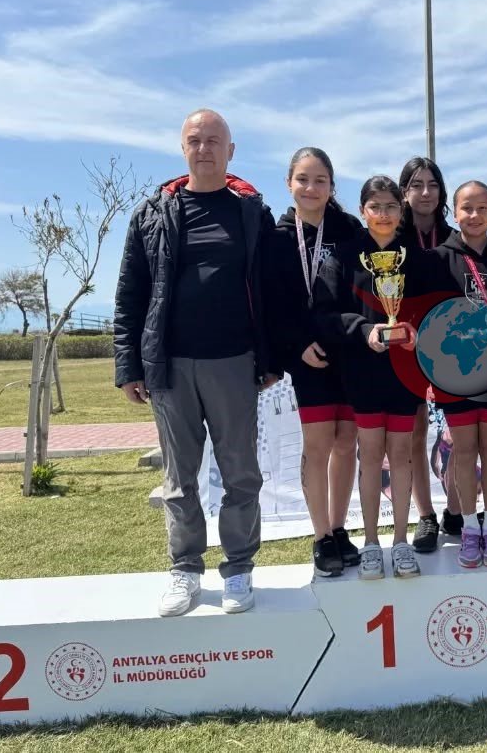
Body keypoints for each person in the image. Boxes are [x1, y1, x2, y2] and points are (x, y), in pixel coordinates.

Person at [114, 109, 275, 617]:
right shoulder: (151, 214)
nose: (204, 148)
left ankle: (239, 568)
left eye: (214, 140)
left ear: (231, 151)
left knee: (241, 474)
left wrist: (270, 358)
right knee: (179, 478)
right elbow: (130, 293)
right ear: (182, 148)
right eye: (194, 140)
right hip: (170, 365)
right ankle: (185, 569)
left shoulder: (252, 213)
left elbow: (270, 293)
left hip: (234, 362)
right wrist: (128, 366)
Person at [313, 175, 428, 580]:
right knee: (371, 456)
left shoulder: (416, 258)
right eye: (375, 206)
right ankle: (371, 543)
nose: (383, 214)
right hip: (362, 374)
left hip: (405, 375)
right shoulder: (344, 257)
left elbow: (436, 308)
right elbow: (325, 314)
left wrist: (418, 331)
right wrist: (364, 330)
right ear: (363, 211)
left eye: (391, 206)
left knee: (402, 454)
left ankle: (401, 541)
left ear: (402, 210)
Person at [264, 147, 364, 577]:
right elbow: (272, 304)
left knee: (347, 441)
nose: (311, 187)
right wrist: (297, 345)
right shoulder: (276, 238)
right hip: (308, 356)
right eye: (303, 179)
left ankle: (340, 528)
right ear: (289, 183)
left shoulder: (349, 229)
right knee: (319, 444)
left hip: (348, 351)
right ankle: (321, 535)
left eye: (320, 180)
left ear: (332, 186)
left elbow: (363, 288)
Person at [431, 180, 487, 568]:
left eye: (482, 208)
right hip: (457, 372)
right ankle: (469, 528)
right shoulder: (439, 259)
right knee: (464, 451)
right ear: (454, 212)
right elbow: (431, 317)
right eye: (467, 208)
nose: (475, 215)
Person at [396, 157, 462, 552]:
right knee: (416, 435)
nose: (425, 192)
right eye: (416, 185)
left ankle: (455, 509)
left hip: (451, 350)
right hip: (405, 350)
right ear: (404, 192)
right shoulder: (391, 241)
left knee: (458, 433)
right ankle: (425, 516)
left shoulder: (455, 238)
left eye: (432, 184)